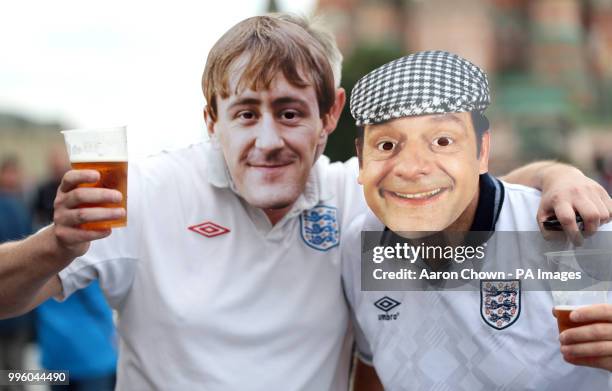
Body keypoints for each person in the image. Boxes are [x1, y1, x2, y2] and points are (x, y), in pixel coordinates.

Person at [0, 15, 610, 390]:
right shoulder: (148, 191)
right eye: (245, 113)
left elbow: (468, 190)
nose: (268, 141)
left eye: (290, 113)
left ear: (330, 116)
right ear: (212, 118)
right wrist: (56, 244)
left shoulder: (355, 197)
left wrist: (559, 176)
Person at [341, 50, 612, 390]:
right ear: (361, 160)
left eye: (442, 141)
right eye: (386, 144)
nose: (411, 168)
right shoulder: (360, 247)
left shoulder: (571, 232)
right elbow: (372, 368)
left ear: (482, 151)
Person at [31, 146, 118, 391]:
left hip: (55, 358)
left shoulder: (38, 258)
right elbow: (99, 304)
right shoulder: (82, 251)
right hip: (92, 357)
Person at [0, 156, 34, 387]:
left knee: (16, 371)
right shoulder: (15, 206)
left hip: (20, 308)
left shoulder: (22, 205)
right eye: (8, 172)